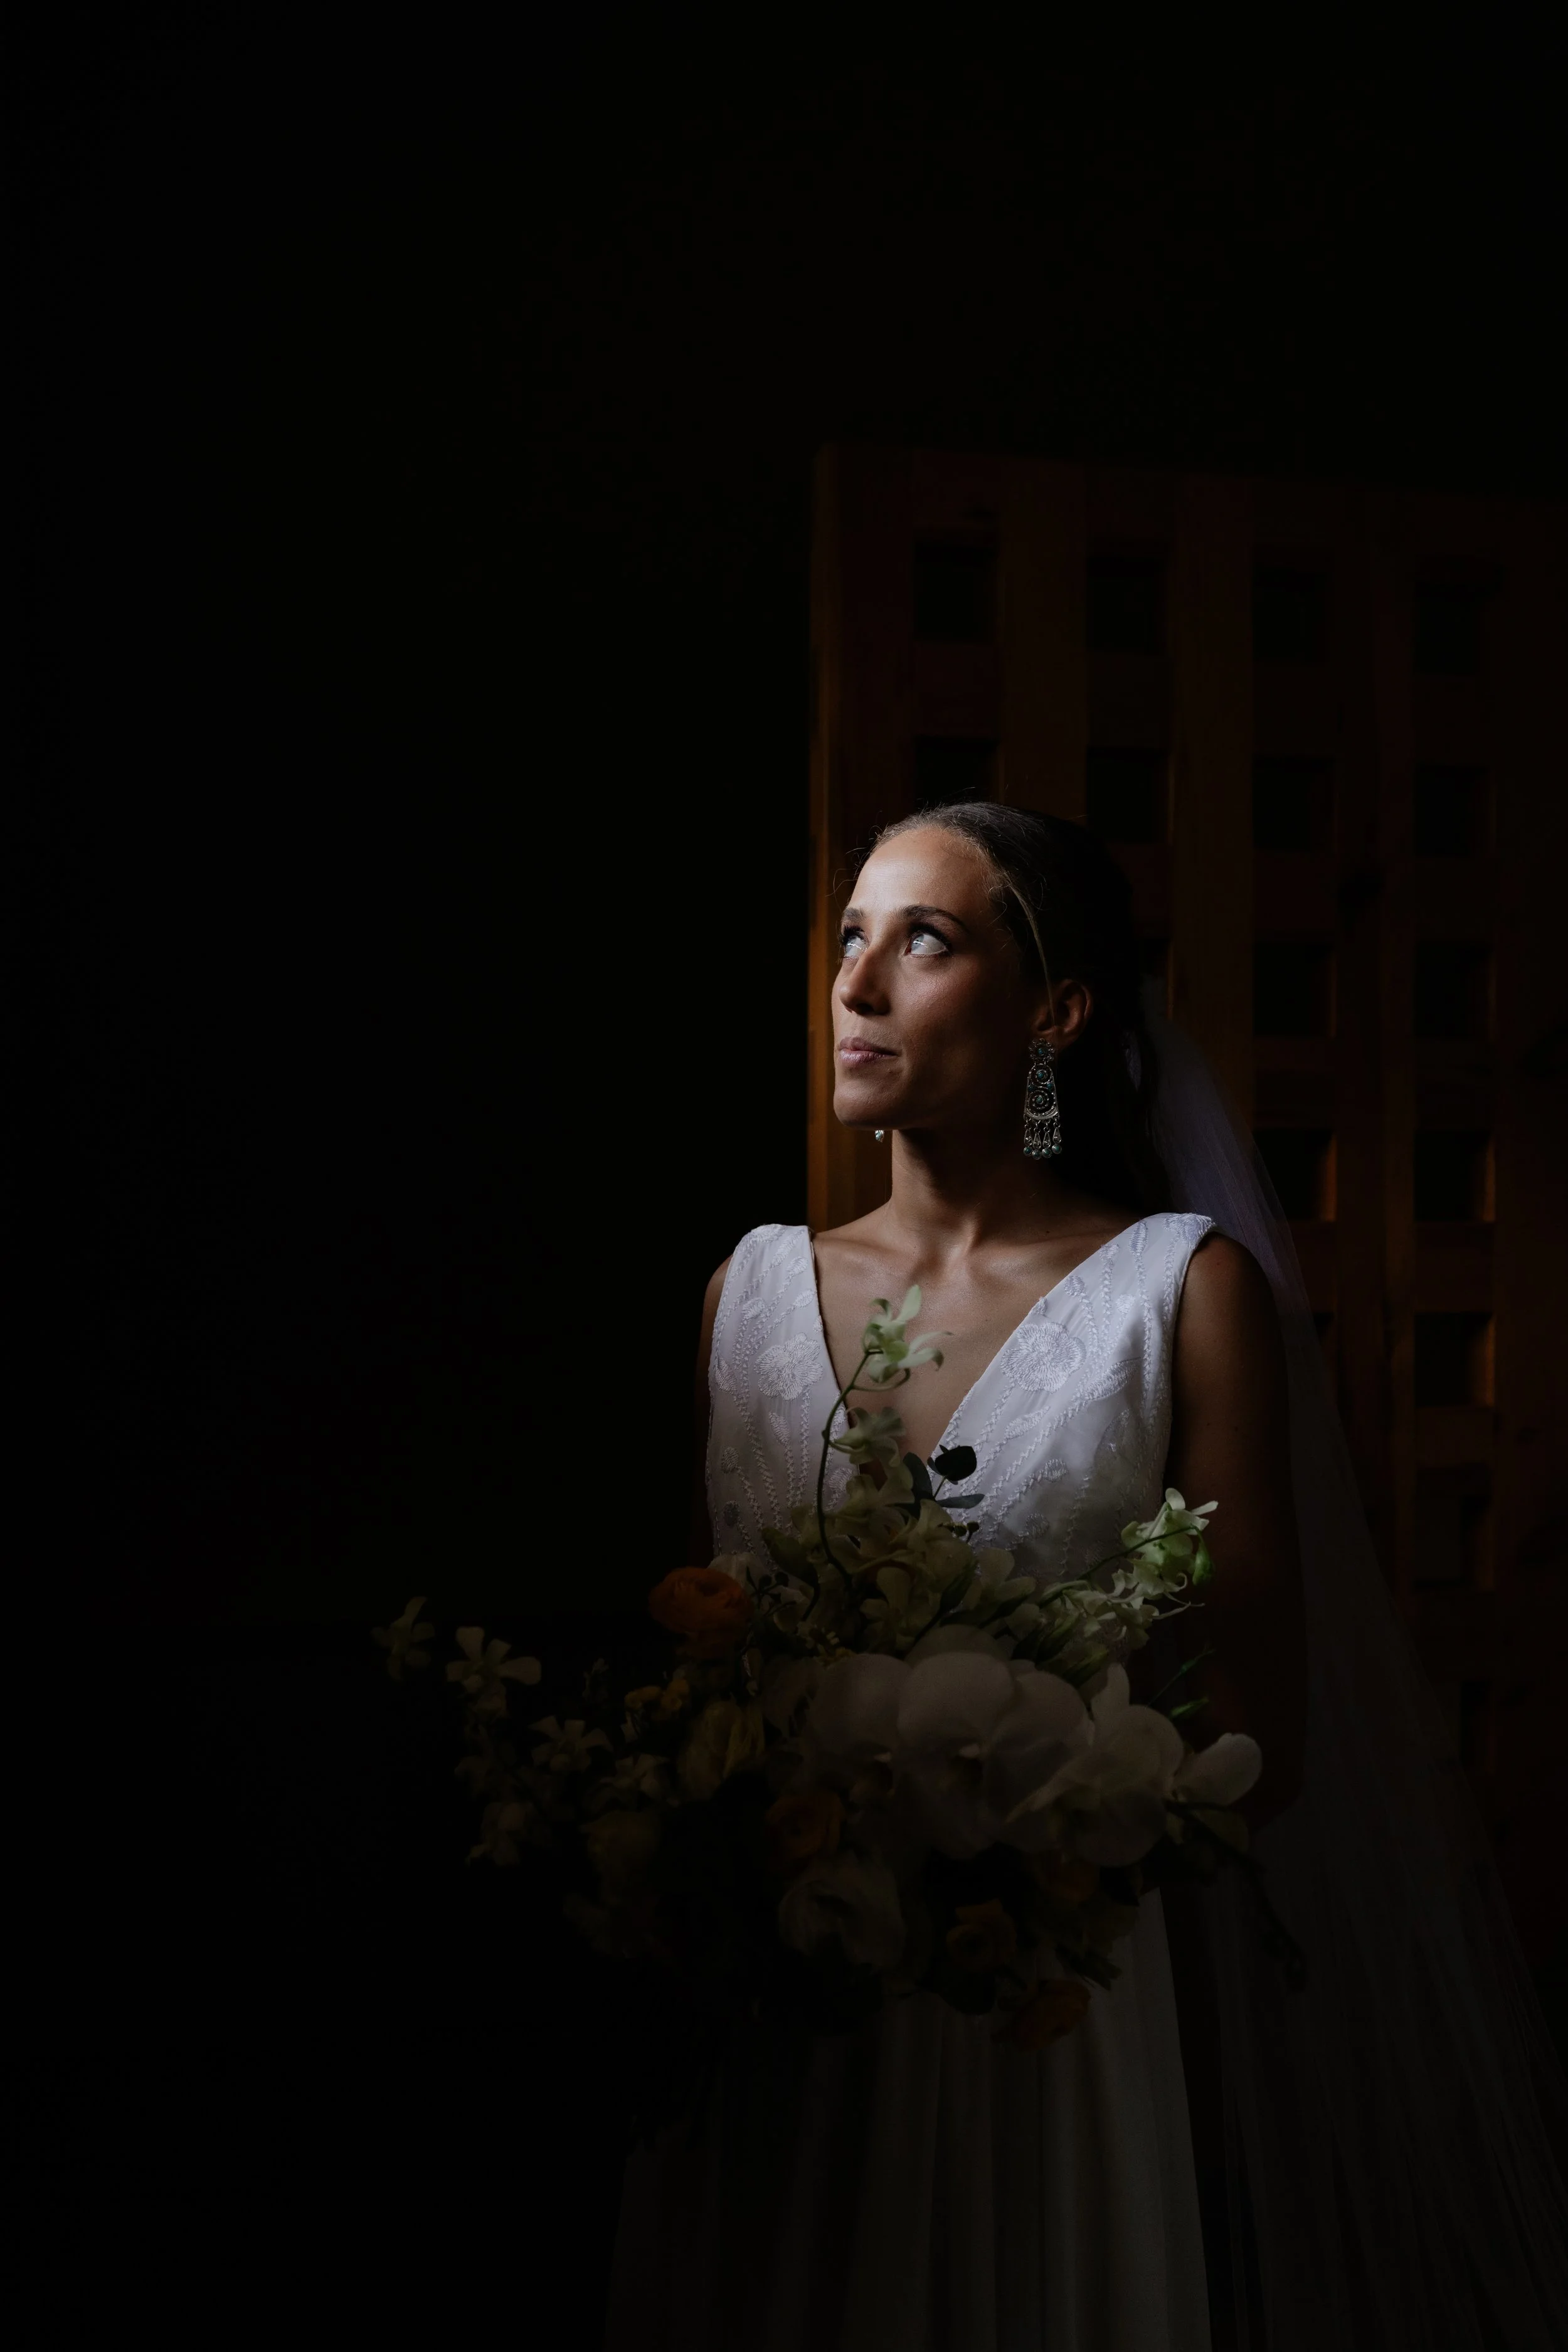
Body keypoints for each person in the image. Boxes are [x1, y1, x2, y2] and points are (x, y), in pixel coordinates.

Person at [607, 804, 1565, 2351]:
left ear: (1054, 1009)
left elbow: (1258, 1739)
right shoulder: (745, 1293)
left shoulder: (1177, 1294)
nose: (854, 987)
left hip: (1042, 2013)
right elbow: (701, 1681)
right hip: (781, 2002)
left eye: (921, 939)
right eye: (848, 934)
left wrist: (999, 1838)